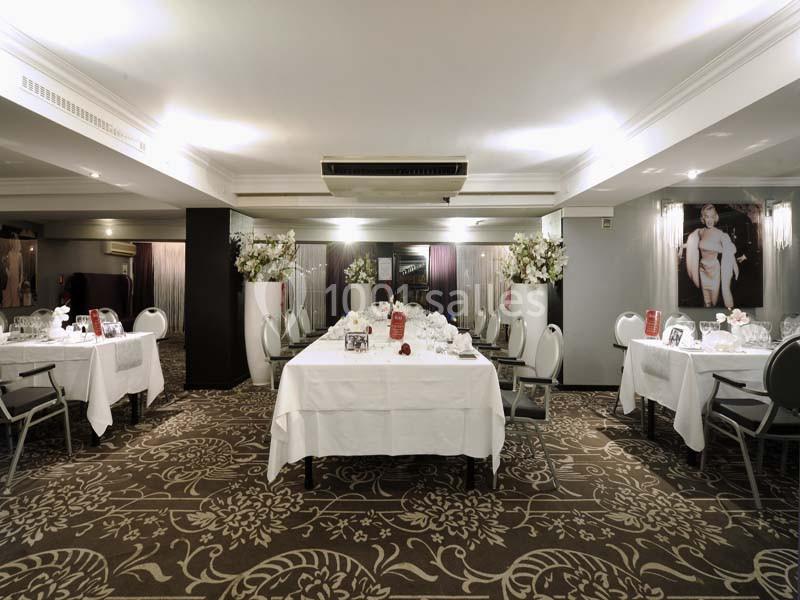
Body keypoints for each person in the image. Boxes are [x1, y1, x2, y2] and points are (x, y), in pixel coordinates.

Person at [686, 204, 746, 309]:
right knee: (706, 302)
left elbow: (731, 249)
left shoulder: (720, 234)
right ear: (703, 218)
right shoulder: (700, 232)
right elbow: (692, 243)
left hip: (714, 272)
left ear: (715, 218)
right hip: (702, 270)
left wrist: (734, 266)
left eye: (712, 216)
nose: (709, 220)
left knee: (714, 302)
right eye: (707, 216)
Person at [1, 235, 23, 308]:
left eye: (14, 241)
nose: (13, 243)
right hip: (9, 279)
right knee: (7, 298)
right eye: (12, 241)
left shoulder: (19, 255)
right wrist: (6, 269)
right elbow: (5, 265)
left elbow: (21, 271)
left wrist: (20, 283)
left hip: (16, 279)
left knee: (15, 298)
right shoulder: (9, 254)